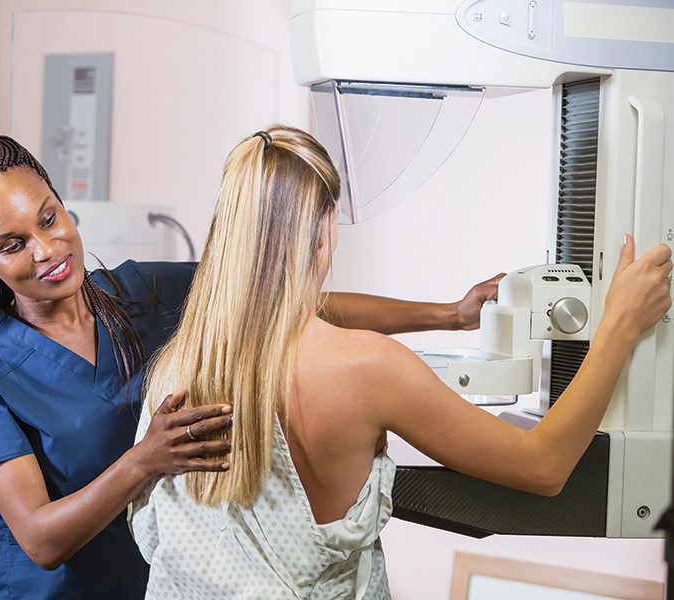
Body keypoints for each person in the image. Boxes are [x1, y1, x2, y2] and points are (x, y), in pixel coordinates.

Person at [0, 134, 503, 599]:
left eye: (49, 220)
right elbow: (40, 540)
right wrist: (144, 461)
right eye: (12, 244)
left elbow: (287, 303)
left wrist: (450, 313)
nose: (46, 249)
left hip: (156, 580)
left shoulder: (140, 292)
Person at [130, 125, 673, 599]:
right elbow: (543, 467)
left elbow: (294, 317)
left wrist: (450, 314)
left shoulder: (176, 370)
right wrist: (620, 324)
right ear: (324, 229)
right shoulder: (367, 369)